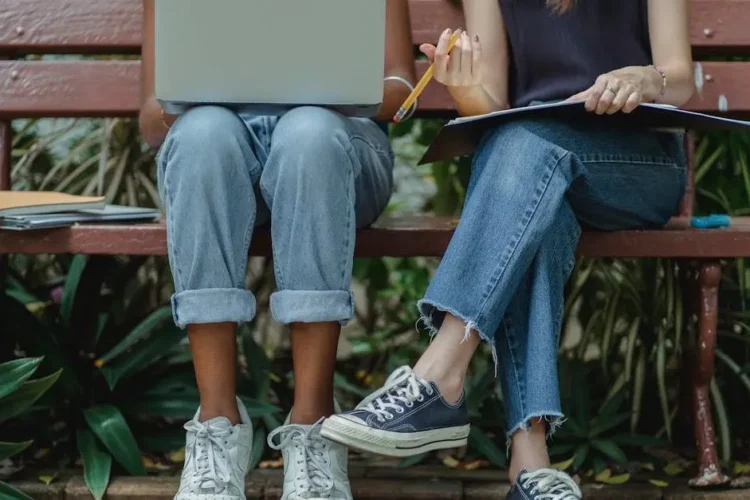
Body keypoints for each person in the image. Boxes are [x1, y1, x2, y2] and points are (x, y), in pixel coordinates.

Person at [321, 1, 695, 499]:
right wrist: (463, 86)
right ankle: (530, 467)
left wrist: (647, 80)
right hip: (536, 170)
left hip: (634, 163)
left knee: (521, 148)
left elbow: (683, 79)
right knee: (537, 201)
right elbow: (491, 105)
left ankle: (439, 374)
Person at [138, 1, 416, 498]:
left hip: (339, 149)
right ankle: (217, 427)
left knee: (308, 134)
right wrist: (187, 100)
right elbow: (151, 122)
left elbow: (399, 87)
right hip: (222, 149)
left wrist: (348, 94)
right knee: (201, 136)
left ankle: (314, 429)